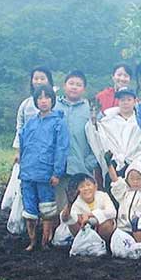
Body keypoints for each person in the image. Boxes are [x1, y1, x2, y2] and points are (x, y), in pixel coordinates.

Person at [19, 85, 69, 251]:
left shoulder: (58, 122)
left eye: (47, 97)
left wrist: (57, 172)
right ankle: (32, 241)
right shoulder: (30, 122)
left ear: (52, 100)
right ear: (35, 101)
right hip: (28, 173)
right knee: (29, 208)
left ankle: (45, 242)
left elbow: (61, 149)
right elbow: (23, 146)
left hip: (46, 173)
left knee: (47, 208)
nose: (43, 101)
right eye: (40, 98)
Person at [86, 88, 141, 189]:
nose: (125, 103)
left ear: (135, 101)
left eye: (129, 100)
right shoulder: (107, 121)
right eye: (122, 100)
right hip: (114, 165)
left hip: (136, 166)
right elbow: (98, 137)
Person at [54, 70, 99, 209]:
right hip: (58, 168)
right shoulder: (54, 106)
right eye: (71, 83)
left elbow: (99, 139)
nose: (74, 87)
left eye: (78, 84)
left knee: (82, 207)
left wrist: (89, 163)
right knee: (58, 207)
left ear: (83, 89)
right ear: (64, 85)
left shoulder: (90, 110)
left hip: (81, 167)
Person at [106, 157, 141, 243]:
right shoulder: (124, 193)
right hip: (125, 230)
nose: (135, 182)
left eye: (138, 179)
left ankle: (139, 246)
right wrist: (109, 164)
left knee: (138, 222)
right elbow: (115, 181)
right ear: (127, 179)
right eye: (132, 179)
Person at [13, 66, 54, 162]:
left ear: (49, 81)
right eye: (36, 78)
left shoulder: (55, 102)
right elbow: (20, 128)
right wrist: (18, 151)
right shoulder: (25, 104)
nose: (39, 81)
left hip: (49, 152)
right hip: (29, 150)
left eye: (42, 78)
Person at [60, 174, 116, 243]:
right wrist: (69, 204)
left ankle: (103, 245)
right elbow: (65, 218)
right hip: (84, 230)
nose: (86, 188)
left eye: (88, 185)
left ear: (95, 187)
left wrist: (90, 215)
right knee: (71, 222)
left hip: (101, 230)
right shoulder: (75, 200)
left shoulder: (103, 195)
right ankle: (83, 244)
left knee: (107, 223)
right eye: (82, 186)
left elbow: (113, 212)